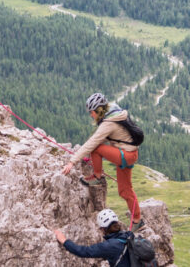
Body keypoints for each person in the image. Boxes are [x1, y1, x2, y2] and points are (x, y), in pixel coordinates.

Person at [61, 92, 143, 228]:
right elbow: (109, 136)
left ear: (98, 110)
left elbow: (93, 142)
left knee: (96, 148)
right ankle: (137, 221)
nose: (91, 115)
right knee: (125, 191)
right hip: (129, 154)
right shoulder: (113, 111)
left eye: (91, 112)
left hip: (125, 155)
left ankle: (97, 176)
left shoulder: (108, 123)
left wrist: (72, 162)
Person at [53, 208, 131, 266]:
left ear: (103, 229)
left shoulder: (109, 246)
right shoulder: (128, 236)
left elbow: (84, 251)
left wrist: (64, 240)